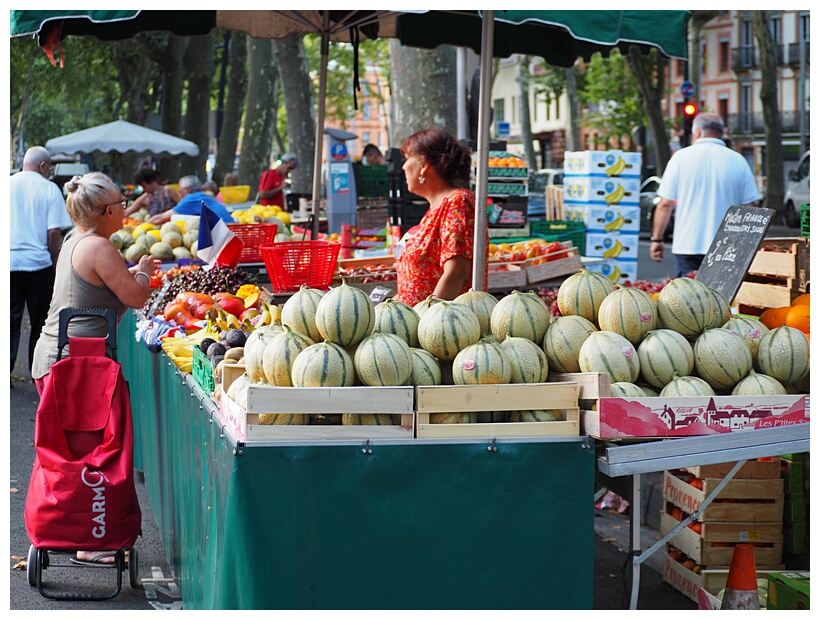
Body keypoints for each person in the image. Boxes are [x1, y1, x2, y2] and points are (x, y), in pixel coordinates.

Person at [651, 113, 760, 277]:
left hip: (688, 245)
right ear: (721, 132)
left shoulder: (680, 158)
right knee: (723, 300)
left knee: (687, 301)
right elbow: (750, 208)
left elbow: (665, 204)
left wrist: (657, 239)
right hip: (727, 248)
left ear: (697, 132)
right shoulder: (738, 160)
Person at [394, 128, 487, 306]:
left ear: (423, 165)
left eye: (407, 159)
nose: (404, 167)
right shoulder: (434, 209)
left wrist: (429, 318)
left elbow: (456, 272)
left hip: (443, 325)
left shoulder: (458, 202)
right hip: (418, 324)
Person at [11, 146, 73, 377]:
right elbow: (53, 233)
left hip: (8, 263)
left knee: (9, 320)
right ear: (43, 166)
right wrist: (56, 261)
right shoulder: (49, 189)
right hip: (38, 264)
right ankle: (36, 370)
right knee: (39, 322)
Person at [147, 175, 233, 225]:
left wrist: (142, 226)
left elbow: (161, 218)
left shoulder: (191, 199)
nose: (179, 196)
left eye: (180, 192)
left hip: (223, 232)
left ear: (188, 190)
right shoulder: (203, 197)